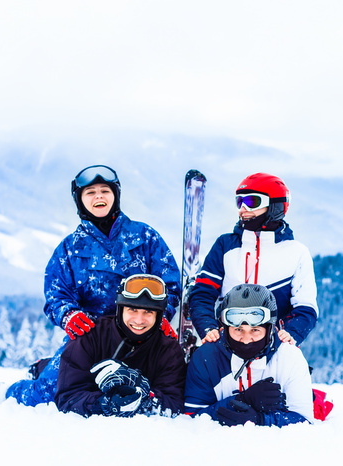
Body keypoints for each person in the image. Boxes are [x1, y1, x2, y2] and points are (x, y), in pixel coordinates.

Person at [6, 164, 181, 406]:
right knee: (49, 393)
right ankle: (21, 385)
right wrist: (69, 315)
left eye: (105, 191)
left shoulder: (144, 236)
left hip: (141, 331)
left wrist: (162, 314)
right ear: (80, 200)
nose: (98, 196)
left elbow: (170, 283)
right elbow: (56, 293)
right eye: (90, 192)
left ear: (115, 196)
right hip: (91, 336)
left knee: (156, 387)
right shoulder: (70, 247)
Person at [189, 172, 318, 346]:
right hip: (225, 344)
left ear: (275, 206)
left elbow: (305, 307)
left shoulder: (296, 253)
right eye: (239, 202)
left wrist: (290, 334)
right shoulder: (225, 246)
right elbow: (203, 293)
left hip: (274, 347)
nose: (243, 209)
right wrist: (208, 327)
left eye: (251, 202)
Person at [55, 274, 186, 417]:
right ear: (120, 309)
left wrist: (144, 396)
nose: (139, 320)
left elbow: (174, 404)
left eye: (148, 312)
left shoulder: (168, 350)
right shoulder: (90, 337)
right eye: (132, 310)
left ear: (159, 316)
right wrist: (104, 403)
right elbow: (67, 398)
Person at [184, 284, 314, 426]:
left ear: (269, 329)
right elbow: (191, 418)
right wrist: (242, 400)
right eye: (238, 329)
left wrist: (260, 419)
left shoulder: (290, 357)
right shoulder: (206, 358)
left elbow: (304, 421)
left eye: (255, 330)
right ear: (225, 328)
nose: (246, 340)